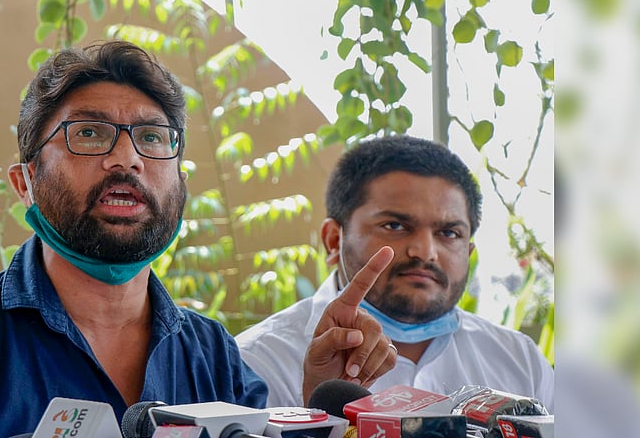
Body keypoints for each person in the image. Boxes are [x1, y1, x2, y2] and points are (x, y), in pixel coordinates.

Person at [0, 41, 271, 437]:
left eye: (151, 137)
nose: (126, 157)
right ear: (25, 182)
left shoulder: (214, 356)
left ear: (181, 184)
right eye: (90, 133)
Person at [236, 136, 555, 411]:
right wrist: (321, 417)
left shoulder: (520, 363)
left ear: (468, 252)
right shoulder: (255, 362)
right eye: (395, 226)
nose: (425, 251)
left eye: (449, 233)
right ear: (334, 240)